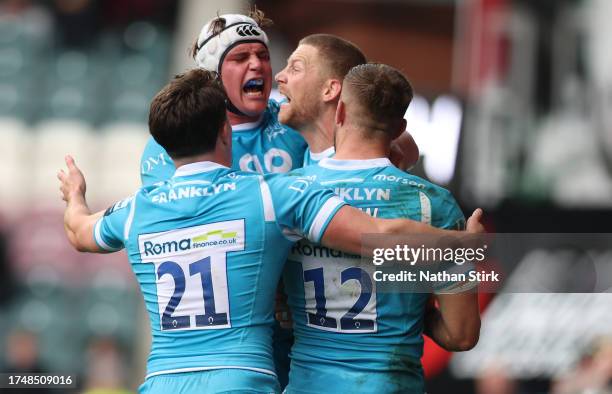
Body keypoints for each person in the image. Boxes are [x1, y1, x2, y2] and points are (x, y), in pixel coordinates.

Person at [59, 69, 484, 393]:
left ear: (163, 147)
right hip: (242, 379)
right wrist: (463, 245)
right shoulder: (268, 196)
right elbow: (379, 234)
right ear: (225, 131)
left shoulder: (134, 211)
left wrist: (76, 194)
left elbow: (79, 231)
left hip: (165, 381)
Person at [282, 63, 481, 394]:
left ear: (340, 111)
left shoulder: (290, 191)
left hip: (308, 384)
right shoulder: (433, 205)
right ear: (400, 126)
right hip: (390, 384)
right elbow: (461, 334)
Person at [140, 9, 307, 185]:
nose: (257, 64)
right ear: (215, 75)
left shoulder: (298, 120)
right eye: (241, 58)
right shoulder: (176, 134)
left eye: (263, 56)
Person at [275, 33, 419, 168]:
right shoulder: (279, 125)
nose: (279, 76)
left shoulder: (365, 166)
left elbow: (405, 144)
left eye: (295, 68)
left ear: (330, 90)